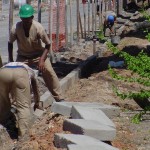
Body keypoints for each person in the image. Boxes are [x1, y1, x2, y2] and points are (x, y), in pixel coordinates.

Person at [8, 4, 64, 102]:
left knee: (49, 72)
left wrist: (42, 60)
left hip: (39, 55)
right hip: (23, 56)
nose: (25, 22)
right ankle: (15, 101)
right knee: (15, 75)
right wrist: (11, 60)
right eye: (23, 19)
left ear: (32, 17)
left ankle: (59, 97)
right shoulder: (16, 28)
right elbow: (10, 43)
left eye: (28, 19)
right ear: (20, 17)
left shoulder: (38, 27)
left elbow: (48, 44)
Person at [0, 62, 40, 137]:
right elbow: (36, 90)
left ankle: (5, 123)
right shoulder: (31, 72)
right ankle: (23, 135)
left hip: (2, 73)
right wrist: (37, 102)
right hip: (20, 75)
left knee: (3, 102)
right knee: (23, 106)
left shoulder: (11, 64)